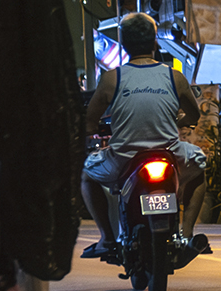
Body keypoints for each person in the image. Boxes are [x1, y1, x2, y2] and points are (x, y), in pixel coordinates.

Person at [80, 13, 212, 264]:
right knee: (199, 168)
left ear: (124, 43)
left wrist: (89, 132)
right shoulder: (175, 77)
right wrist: (178, 122)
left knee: (87, 176)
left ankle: (107, 238)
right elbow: (193, 113)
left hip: (124, 158)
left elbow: (90, 119)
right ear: (154, 43)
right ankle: (186, 234)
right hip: (170, 155)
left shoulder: (112, 78)